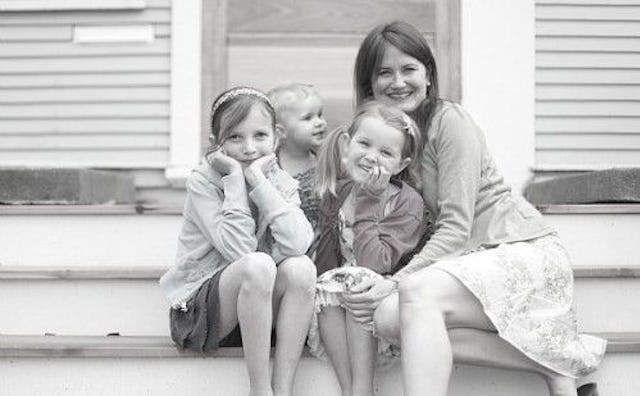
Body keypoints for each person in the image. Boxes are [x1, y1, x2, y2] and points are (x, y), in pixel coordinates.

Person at [340, 21, 606, 396]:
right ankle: (556, 366)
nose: (398, 82)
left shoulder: (450, 122)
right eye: (384, 72)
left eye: (409, 69)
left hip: (516, 249)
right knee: (387, 318)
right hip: (465, 267)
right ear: (370, 85)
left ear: (429, 76)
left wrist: (394, 282)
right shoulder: (385, 144)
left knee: (411, 295)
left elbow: (454, 229)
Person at [159, 86, 317, 396]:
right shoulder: (204, 182)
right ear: (215, 145)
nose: (249, 148)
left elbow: (298, 244)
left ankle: (283, 388)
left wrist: (259, 182)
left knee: (302, 269)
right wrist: (234, 179)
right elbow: (240, 251)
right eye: (235, 137)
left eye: (260, 135)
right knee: (256, 264)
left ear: (277, 137)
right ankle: (260, 391)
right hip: (205, 315)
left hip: (259, 313)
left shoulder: (280, 182)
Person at [308, 101, 430, 396]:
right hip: (336, 311)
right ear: (348, 145)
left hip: (382, 309)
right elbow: (325, 259)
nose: (371, 157)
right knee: (325, 286)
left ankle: (362, 387)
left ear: (400, 164)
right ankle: (351, 390)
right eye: (364, 144)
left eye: (386, 152)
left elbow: (376, 264)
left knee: (357, 280)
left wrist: (370, 203)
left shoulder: (407, 203)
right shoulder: (338, 192)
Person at [268, 83, 328, 229]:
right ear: (281, 132)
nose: (319, 122)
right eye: (308, 118)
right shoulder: (272, 168)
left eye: (319, 115)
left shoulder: (326, 159)